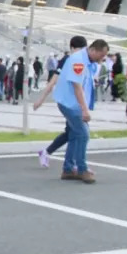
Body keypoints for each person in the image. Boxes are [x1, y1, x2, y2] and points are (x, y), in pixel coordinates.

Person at [52, 39, 110, 183]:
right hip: (71, 104)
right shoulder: (78, 60)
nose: (102, 59)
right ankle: (82, 169)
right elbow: (77, 86)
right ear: (94, 50)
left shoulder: (87, 61)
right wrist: (84, 110)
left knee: (74, 135)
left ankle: (68, 169)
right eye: (101, 55)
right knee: (83, 135)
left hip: (73, 103)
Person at [33, 36, 88, 169]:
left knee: (71, 132)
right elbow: (53, 81)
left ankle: (48, 152)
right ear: (72, 48)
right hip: (69, 103)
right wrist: (41, 98)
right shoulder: (66, 61)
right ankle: (72, 164)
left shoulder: (81, 60)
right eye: (79, 50)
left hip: (75, 103)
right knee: (78, 132)